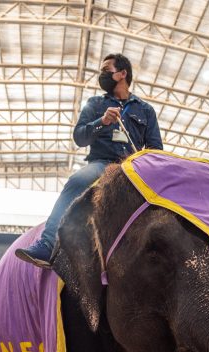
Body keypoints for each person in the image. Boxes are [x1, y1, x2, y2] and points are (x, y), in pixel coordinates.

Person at [17, 53, 164, 267]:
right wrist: (101, 121)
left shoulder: (145, 110)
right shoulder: (95, 104)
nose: (102, 75)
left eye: (107, 71)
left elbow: (156, 149)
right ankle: (47, 245)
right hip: (102, 165)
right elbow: (80, 137)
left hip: (133, 169)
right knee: (76, 181)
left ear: (122, 74)